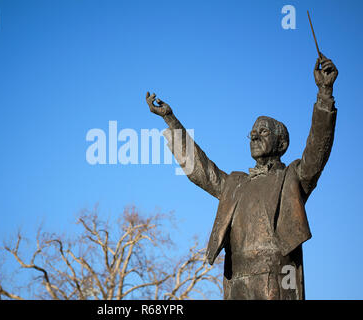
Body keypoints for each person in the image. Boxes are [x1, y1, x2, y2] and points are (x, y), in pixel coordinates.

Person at [145, 53, 338, 299]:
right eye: (252, 133)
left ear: (282, 143)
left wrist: (324, 94)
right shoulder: (235, 184)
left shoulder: (292, 176)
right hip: (235, 281)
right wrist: (171, 120)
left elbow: (317, 150)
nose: (255, 136)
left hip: (278, 278)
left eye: (263, 131)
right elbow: (200, 170)